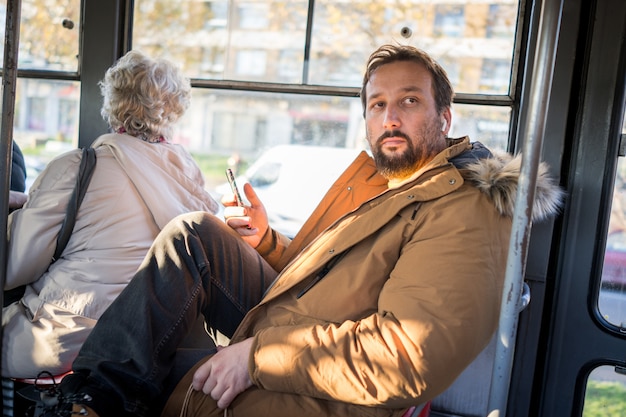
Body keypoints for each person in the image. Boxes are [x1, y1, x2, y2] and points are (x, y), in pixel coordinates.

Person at [50, 44, 563, 417]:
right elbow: (331, 270)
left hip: (307, 348)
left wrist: (256, 357)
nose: (389, 117)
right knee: (194, 235)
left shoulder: (464, 206)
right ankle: (93, 396)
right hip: (301, 311)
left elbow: (406, 356)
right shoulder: (392, 181)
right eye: (377, 104)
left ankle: (100, 399)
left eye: (409, 101)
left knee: (167, 355)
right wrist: (267, 241)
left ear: (444, 117)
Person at [2, 50, 219, 379]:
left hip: (64, 340)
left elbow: (13, 265)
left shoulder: (76, 168)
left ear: (112, 100)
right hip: (143, 346)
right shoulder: (188, 175)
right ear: (174, 109)